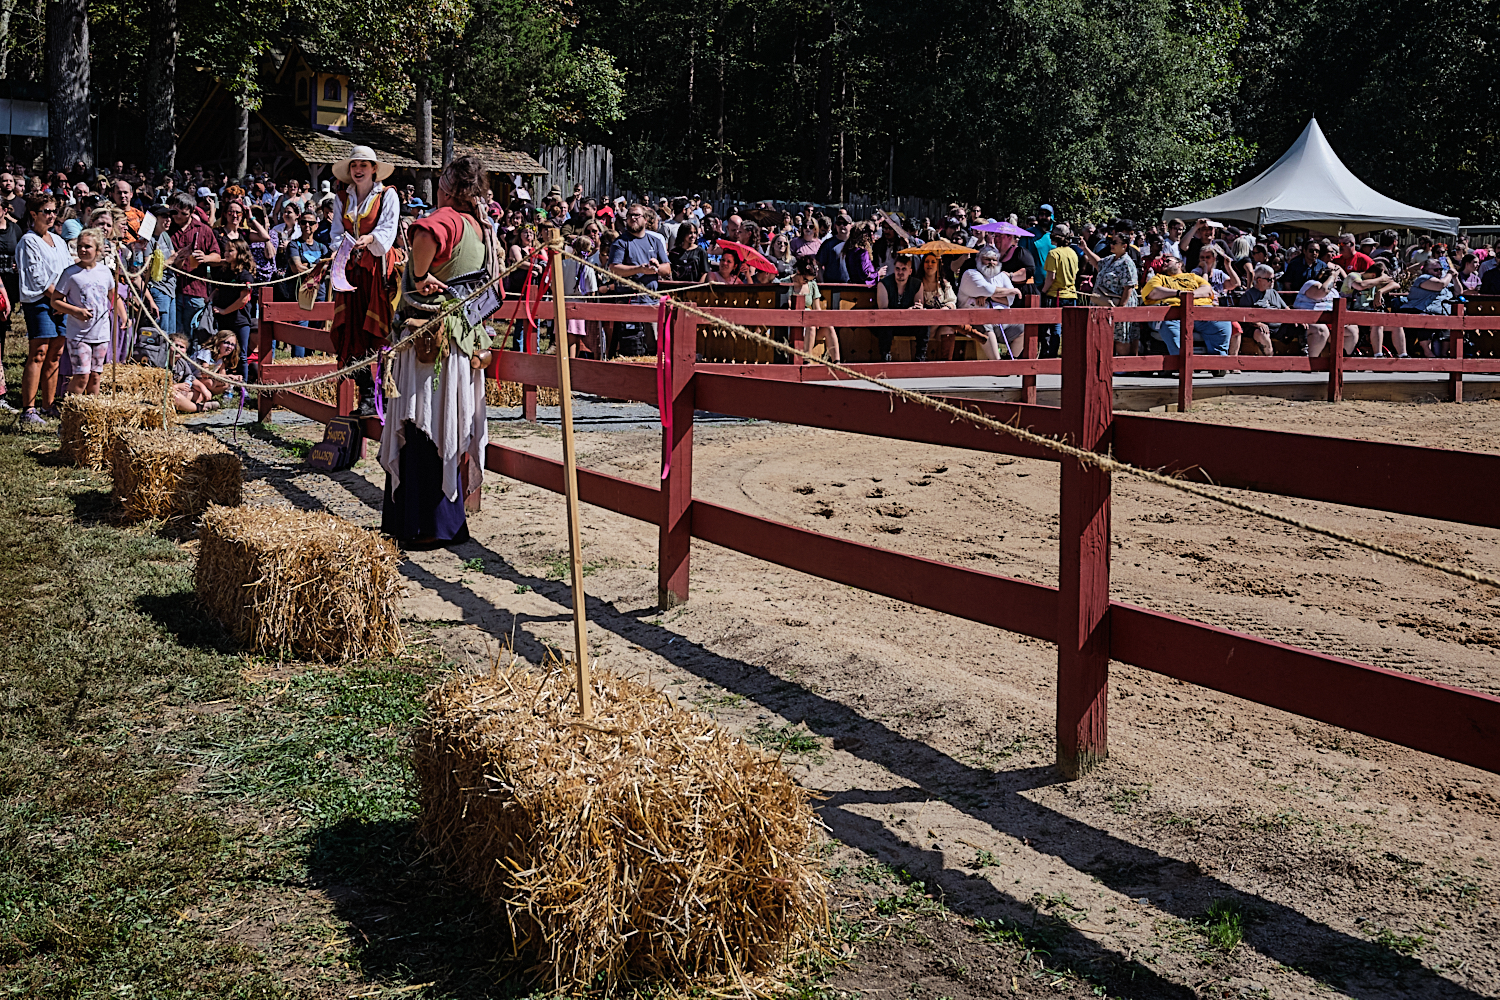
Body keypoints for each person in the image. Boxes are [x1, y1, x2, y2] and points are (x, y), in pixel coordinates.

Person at [380, 154, 496, 549]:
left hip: (430, 341)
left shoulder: (444, 219)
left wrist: (417, 274)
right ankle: (442, 522)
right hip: (460, 340)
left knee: (424, 421)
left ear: (450, 185)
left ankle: (420, 525)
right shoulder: (479, 228)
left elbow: (425, 234)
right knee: (446, 421)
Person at [312, 146, 400, 414]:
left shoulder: (387, 195)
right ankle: (366, 394)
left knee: (381, 329)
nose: (358, 169)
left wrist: (371, 239)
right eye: (354, 165)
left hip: (378, 269)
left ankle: (387, 391)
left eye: (364, 164)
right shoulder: (342, 197)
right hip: (350, 269)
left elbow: (388, 229)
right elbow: (336, 233)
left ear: (374, 169)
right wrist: (347, 246)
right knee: (353, 330)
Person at [17, 194, 74, 424]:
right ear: (33, 214)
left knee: (56, 354)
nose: (51, 216)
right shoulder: (28, 241)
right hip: (40, 301)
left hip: (60, 301)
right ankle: (28, 409)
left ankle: (48, 405)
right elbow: (38, 279)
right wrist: (60, 301)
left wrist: (65, 302)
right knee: (39, 352)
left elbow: (68, 271)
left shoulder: (58, 240)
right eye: (46, 212)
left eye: (53, 212)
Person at [50, 229, 122, 398]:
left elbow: (113, 296)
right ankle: (70, 415)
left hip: (101, 333)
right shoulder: (70, 273)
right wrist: (75, 311)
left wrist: (123, 317)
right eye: (80, 246)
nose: (82, 250)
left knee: (95, 376)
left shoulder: (105, 272)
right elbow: (55, 300)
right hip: (79, 334)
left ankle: (92, 415)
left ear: (97, 250)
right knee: (82, 376)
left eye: (87, 246)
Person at [1140, 251, 1229, 361]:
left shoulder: (1193, 277)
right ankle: (1181, 363)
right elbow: (1154, 292)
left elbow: (1207, 290)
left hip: (1200, 312)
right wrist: (1179, 294)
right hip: (1173, 313)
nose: (1164, 263)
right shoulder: (1159, 278)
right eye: (1163, 262)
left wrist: (1189, 296)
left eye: (1168, 261)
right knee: (1169, 326)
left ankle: (1218, 362)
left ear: (1179, 264)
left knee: (1222, 323)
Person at [607, 203, 667, 356]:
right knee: (631, 349)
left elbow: (667, 269)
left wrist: (656, 267)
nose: (633, 218)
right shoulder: (620, 242)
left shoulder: (655, 241)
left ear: (646, 219)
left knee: (655, 350)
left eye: (636, 215)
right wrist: (640, 269)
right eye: (630, 216)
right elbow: (614, 269)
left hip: (651, 303)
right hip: (630, 303)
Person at [166, 190, 221, 343]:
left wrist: (205, 258)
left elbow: (217, 257)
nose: (177, 216)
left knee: (195, 334)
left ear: (191, 212)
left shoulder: (203, 230)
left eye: (183, 213)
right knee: (174, 333)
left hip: (196, 290)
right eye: (174, 212)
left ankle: (193, 365)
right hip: (172, 289)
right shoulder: (166, 228)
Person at [954, 244, 1017, 360]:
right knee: (985, 325)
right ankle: (997, 363)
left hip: (1001, 320)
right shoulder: (970, 274)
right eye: (987, 259)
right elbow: (988, 290)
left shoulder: (1002, 276)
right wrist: (1009, 291)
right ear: (979, 260)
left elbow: (1010, 300)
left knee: (1023, 327)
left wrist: (989, 297)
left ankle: (1011, 359)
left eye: (994, 260)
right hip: (973, 321)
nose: (991, 262)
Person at [1396, 258, 1459, 358]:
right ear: (1426, 270)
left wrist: (1455, 278)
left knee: (1451, 321)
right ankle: (1427, 351)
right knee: (1426, 319)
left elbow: (1459, 292)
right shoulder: (1424, 278)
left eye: (1441, 269)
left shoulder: (1445, 280)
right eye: (1436, 270)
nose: (1439, 272)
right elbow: (1440, 285)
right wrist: (1449, 274)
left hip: (1442, 312)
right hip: (1419, 310)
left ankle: (1444, 354)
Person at [1090, 234, 1140, 355]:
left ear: (1124, 246)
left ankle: (1124, 366)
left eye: (1115, 243)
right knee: (1105, 335)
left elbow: (1129, 286)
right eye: (1111, 242)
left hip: (1119, 303)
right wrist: (1085, 249)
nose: (1111, 245)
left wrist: (1121, 308)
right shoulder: (1111, 258)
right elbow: (1098, 264)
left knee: (1120, 336)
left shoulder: (1127, 263)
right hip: (1105, 303)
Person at [1291, 265, 1355, 358]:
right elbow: (1323, 291)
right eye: (1335, 279)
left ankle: (1342, 360)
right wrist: (1332, 276)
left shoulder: (1334, 292)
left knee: (1352, 329)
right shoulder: (1311, 284)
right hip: (1306, 321)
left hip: (1329, 322)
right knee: (1321, 329)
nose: (1336, 281)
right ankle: (1312, 362)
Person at [212, 238, 253, 379]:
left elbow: (243, 299)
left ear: (240, 253)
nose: (226, 253)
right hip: (224, 319)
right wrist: (209, 298)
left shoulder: (245, 275)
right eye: (225, 250)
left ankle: (243, 386)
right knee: (222, 351)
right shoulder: (223, 272)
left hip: (239, 320)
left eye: (230, 250)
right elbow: (217, 288)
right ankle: (224, 381)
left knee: (240, 352)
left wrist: (224, 311)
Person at [874, 254, 924, 361]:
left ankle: (920, 357)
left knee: (924, 325)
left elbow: (918, 306)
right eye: (897, 269)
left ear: (910, 271)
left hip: (908, 323)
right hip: (889, 323)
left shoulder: (917, 284)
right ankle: (885, 356)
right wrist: (906, 311)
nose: (900, 272)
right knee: (884, 326)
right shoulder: (884, 284)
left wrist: (917, 309)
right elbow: (883, 310)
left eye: (904, 269)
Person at [1039, 223, 1078, 358]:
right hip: (1072, 294)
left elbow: (1051, 277)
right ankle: (1069, 354)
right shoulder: (1073, 253)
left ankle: (1052, 355)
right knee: (1069, 328)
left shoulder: (1053, 254)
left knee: (1054, 327)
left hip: (1056, 294)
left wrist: (1042, 291)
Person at [789, 255, 838, 362]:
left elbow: (817, 309)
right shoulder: (786, 282)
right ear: (798, 272)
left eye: (809, 280)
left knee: (828, 327)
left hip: (809, 323)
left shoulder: (812, 285)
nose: (807, 282)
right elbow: (786, 307)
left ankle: (837, 363)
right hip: (791, 324)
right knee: (810, 326)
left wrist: (819, 322)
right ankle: (807, 360)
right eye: (805, 279)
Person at [1231, 264, 1285, 359]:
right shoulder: (1249, 295)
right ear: (1259, 280)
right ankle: (1271, 359)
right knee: (1261, 333)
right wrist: (1258, 323)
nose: (1272, 281)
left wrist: (1297, 320)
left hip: (1278, 326)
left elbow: (1286, 309)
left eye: (1273, 278)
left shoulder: (1273, 292)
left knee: (1306, 327)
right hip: (1257, 327)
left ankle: (1304, 359)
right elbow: (1244, 316)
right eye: (1269, 279)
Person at [915, 251, 958, 359]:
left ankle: (945, 365)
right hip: (924, 324)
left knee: (949, 330)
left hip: (941, 321)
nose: (929, 264)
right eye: (927, 261)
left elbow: (952, 302)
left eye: (933, 262)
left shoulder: (944, 284)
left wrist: (945, 308)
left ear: (938, 265)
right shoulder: (917, 283)